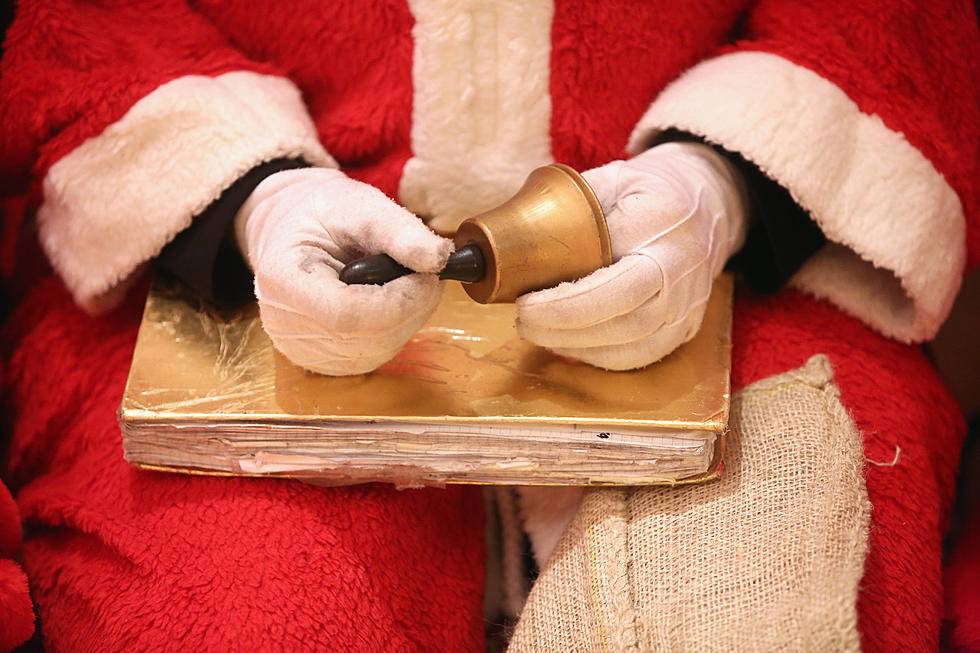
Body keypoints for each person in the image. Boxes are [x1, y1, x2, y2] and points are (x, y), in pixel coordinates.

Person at [1, 1, 978, 650]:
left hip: (758, 282)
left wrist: (724, 180)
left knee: (752, 605)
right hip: (213, 284)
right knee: (246, 616)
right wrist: (249, 198)